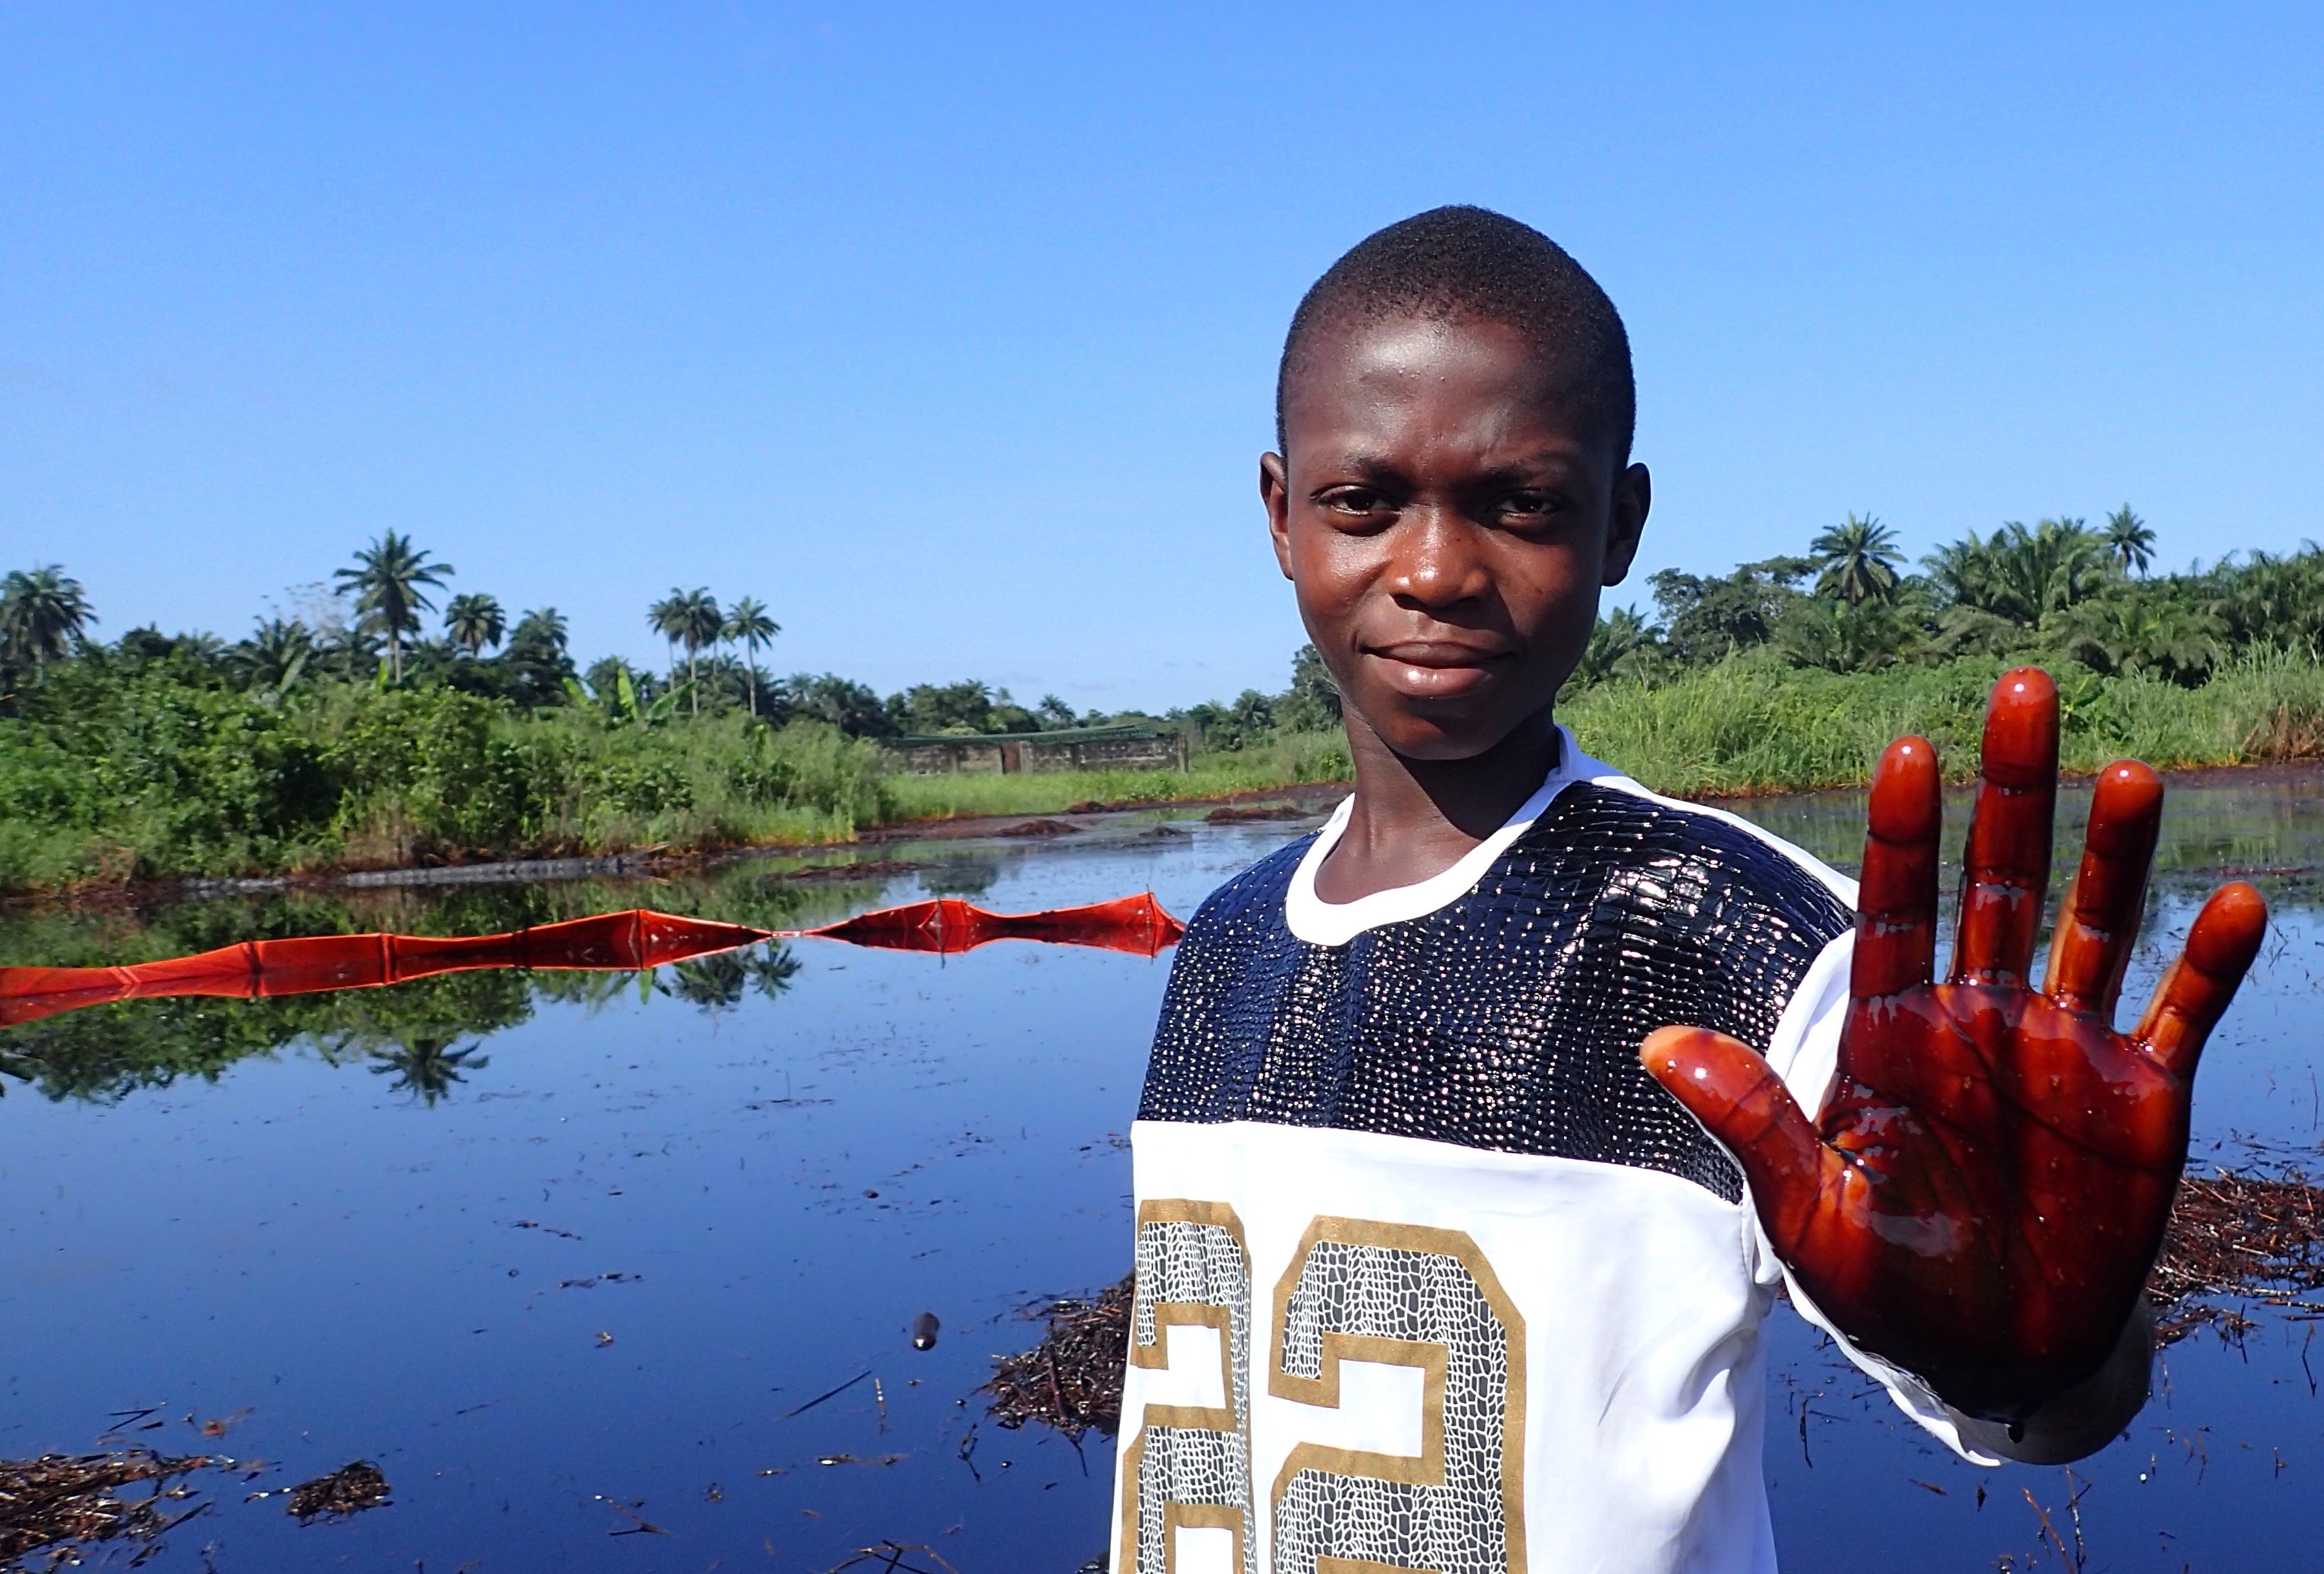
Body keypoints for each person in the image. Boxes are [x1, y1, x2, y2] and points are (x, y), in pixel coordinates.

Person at [1107, 206, 2268, 1573]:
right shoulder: (1225, 945)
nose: (1433, 569)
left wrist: (2054, 1349)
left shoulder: (1739, 939)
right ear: (1280, 514)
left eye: (1521, 502)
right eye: (1364, 500)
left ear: (1620, 523)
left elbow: (2042, 1391)